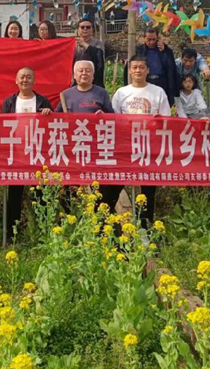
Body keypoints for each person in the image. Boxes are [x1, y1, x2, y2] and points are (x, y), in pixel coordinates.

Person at [111, 56, 170, 225]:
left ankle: (145, 223)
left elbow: (167, 119)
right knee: (118, 182)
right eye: (135, 67)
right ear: (130, 71)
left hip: (149, 146)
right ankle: (112, 219)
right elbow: (113, 119)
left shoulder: (158, 92)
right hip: (126, 146)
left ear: (147, 70)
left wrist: (158, 120)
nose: (138, 70)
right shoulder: (121, 93)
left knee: (148, 186)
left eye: (141, 67)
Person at [1, 67, 53, 236]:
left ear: (34, 80)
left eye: (28, 77)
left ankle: (42, 231)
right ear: (16, 80)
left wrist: (48, 114)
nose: (25, 80)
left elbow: (53, 125)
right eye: (22, 77)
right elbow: (1, 126)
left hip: (38, 154)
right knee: (14, 195)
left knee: (40, 194)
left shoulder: (42, 101)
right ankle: (11, 233)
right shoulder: (9, 102)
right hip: (16, 154)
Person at [135, 27, 179, 106]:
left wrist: (164, 51)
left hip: (162, 82)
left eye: (154, 39)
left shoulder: (165, 50)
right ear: (144, 38)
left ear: (157, 38)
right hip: (146, 81)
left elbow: (171, 68)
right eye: (149, 39)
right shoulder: (139, 50)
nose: (151, 42)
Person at [74, 19, 105, 88]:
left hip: (93, 80)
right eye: (82, 27)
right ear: (78, 29)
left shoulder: (98, 43)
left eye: (88, 27)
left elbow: (98, 55)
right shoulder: (72, 43)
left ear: (92, 29)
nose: (85, 29)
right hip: (76, 79)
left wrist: (84, 44)